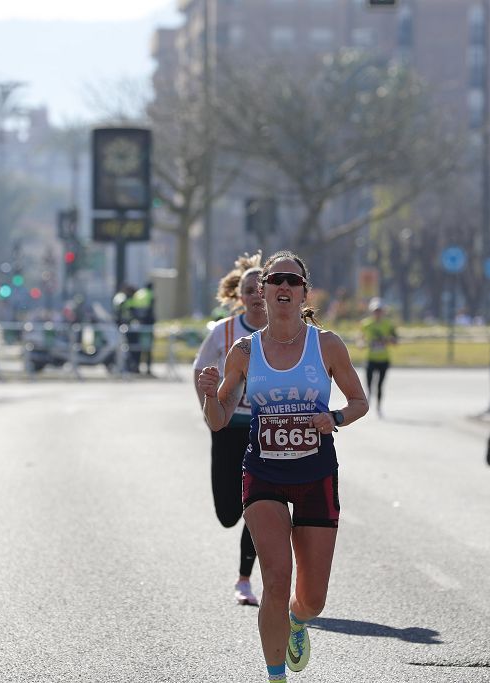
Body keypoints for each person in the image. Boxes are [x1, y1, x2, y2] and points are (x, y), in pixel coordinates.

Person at [197, 250, 368, 682]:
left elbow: (359, 401)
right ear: (263, 291)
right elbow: (219, 421)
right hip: (264, 473)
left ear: (304, 292)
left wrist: (336, 418)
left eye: (294, 281)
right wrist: (209, 395)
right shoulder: (243, 350)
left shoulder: (326, 344)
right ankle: (276, 676)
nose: (284, 288)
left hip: (315, 474)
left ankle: (297, 620)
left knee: (312, 599)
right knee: (275, 578)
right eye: (277, 281)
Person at [193, 253, 266, 607]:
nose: (257, 295)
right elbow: (200, 368)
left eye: (261, 289)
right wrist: (210, 412)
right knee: (228, 514)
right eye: (249, 290)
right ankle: (240, 510)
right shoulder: (225, 330)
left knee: (258, 504)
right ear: (240, 297)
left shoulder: (282, 331)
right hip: (227, 428)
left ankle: (244, 579)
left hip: (263, 431)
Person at [361, 297, 397, 417]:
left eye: (379, 310)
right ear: (371, 311)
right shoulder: (366, 324)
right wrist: (361, 343)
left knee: (380, 384)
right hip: (370, 359)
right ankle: (368, 399)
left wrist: (389, 340)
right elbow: (360, 339)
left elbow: (395, 340)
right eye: (375, 310)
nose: (377, 313)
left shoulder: (388, 324)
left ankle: (379, 406)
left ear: (383, 311)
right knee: (369, 383)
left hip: (383, 359)